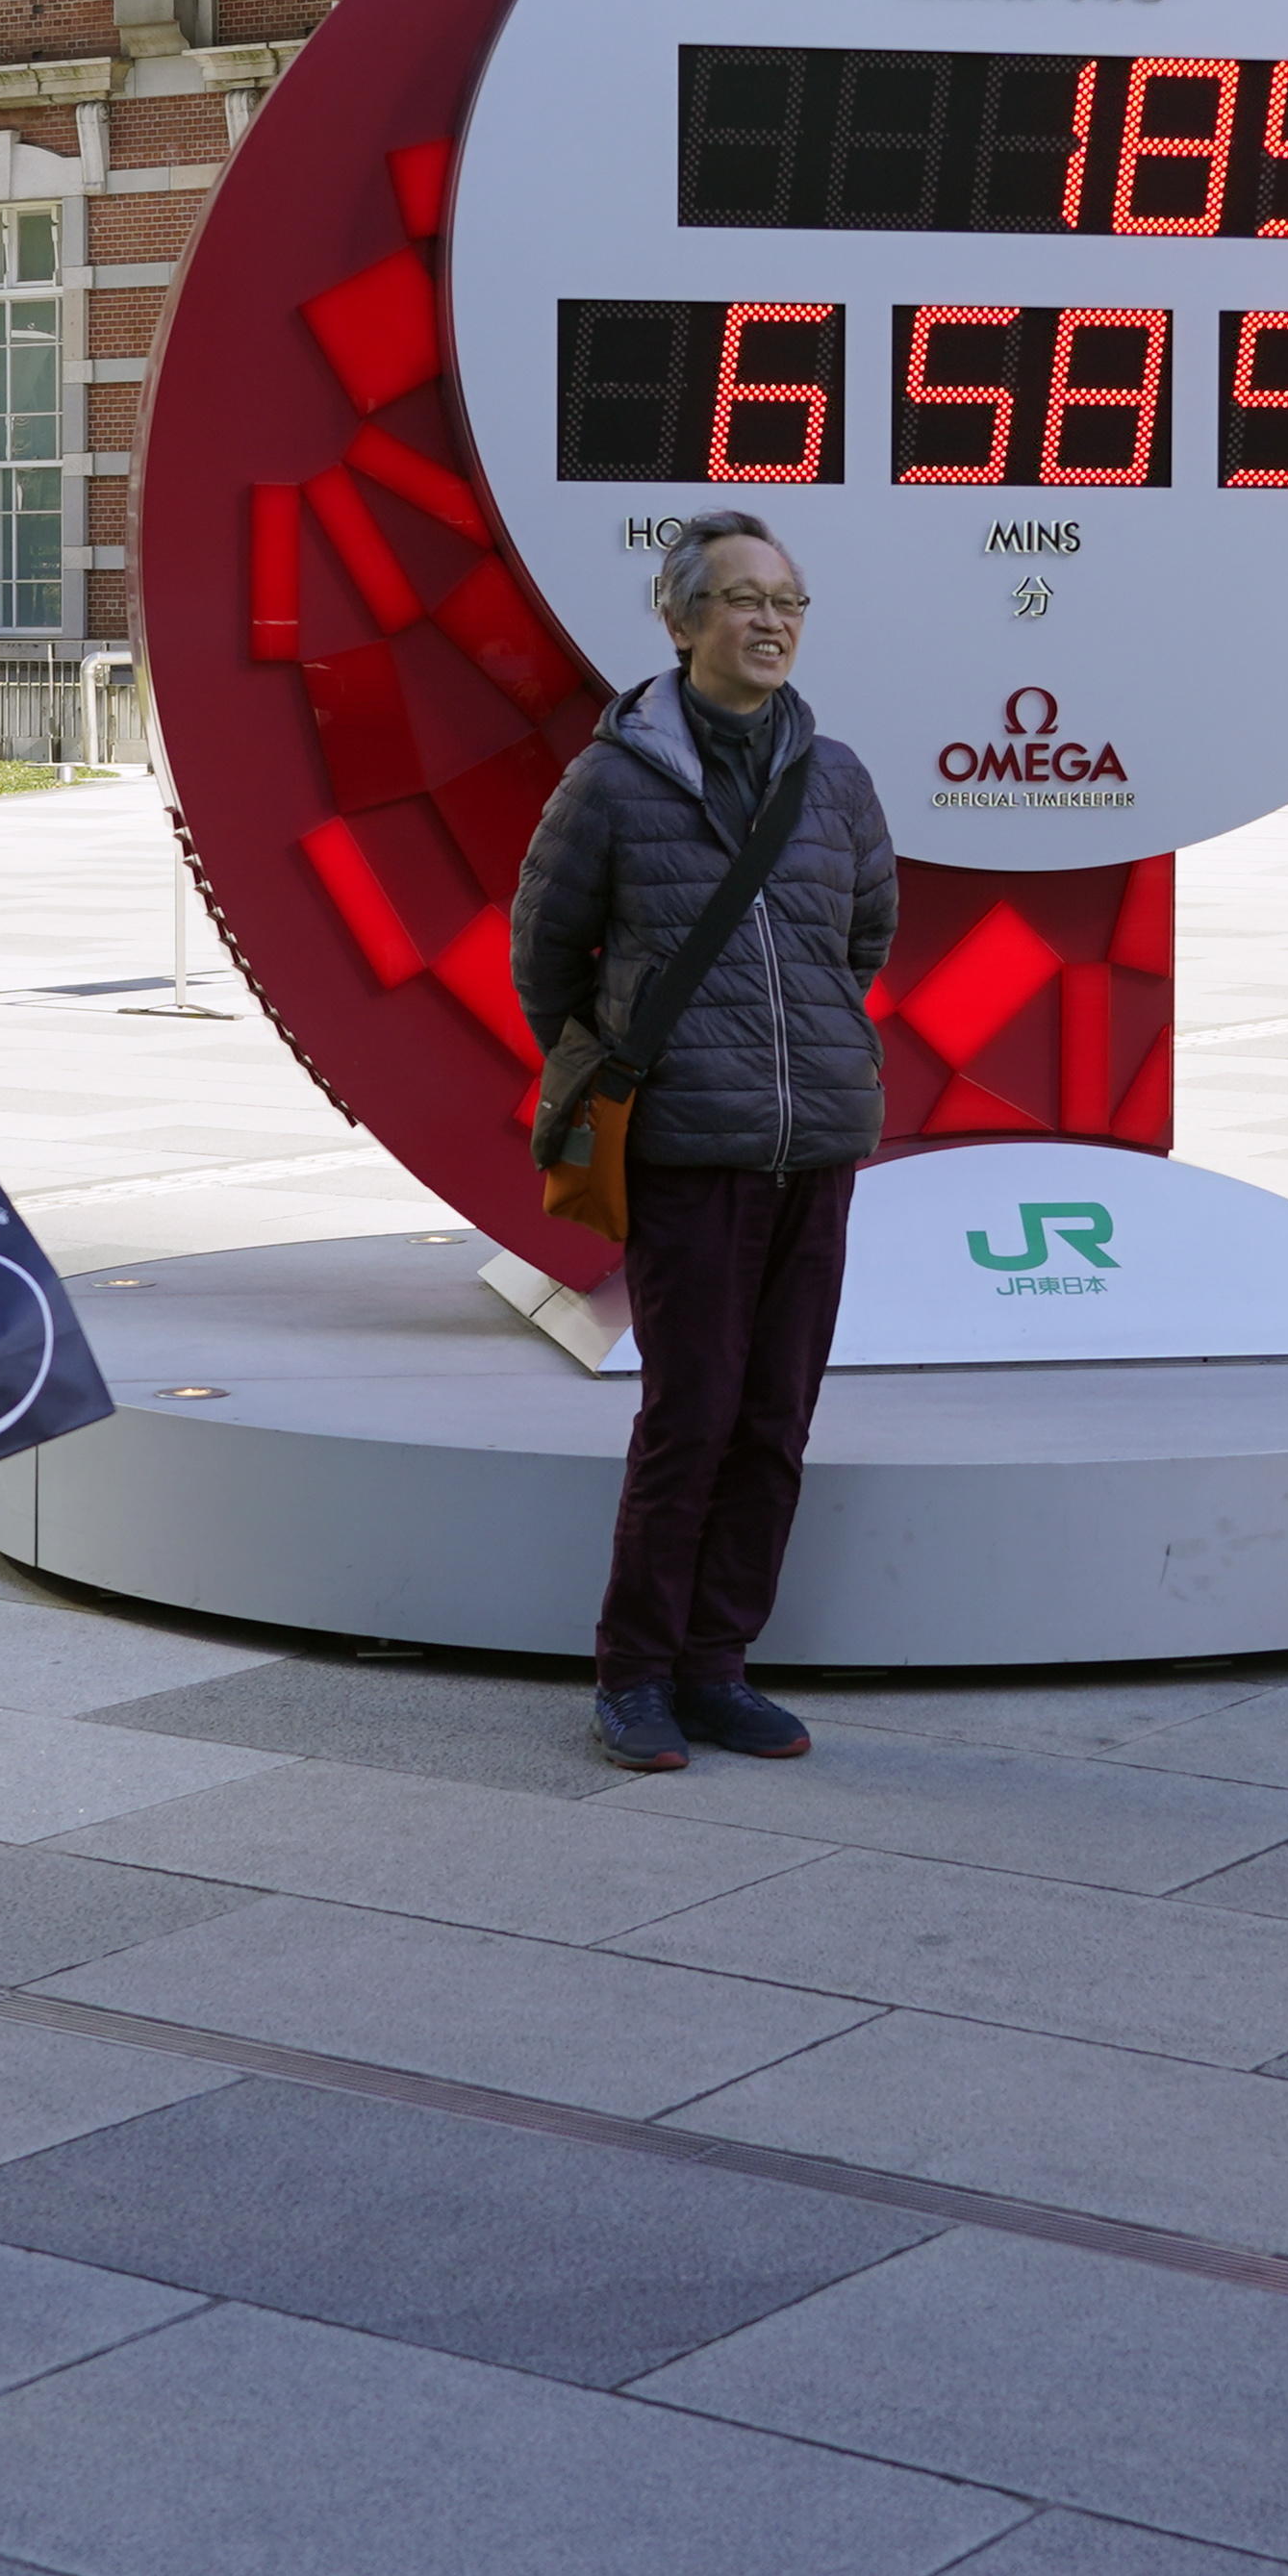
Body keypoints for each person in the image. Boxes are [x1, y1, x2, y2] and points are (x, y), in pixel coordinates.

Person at [509, 512, 896, 1775]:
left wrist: (807, 1052)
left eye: (786, 599)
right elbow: (543, 953)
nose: (769, 620)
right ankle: (633, 1675)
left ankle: (717, 1664)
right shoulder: (613, 781)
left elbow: (864, 936)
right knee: (692, 1414)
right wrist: (649, 1051)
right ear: (678, 623)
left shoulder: (832, 775)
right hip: (686, 1148)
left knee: (775, 1417)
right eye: (739, 598)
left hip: (815, 1145)